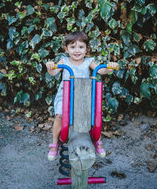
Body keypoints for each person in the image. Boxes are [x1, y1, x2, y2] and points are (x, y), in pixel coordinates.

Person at [46, 31, 118, 161]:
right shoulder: (64, 61)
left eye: (81, 47)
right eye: (72, 47)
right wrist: (50, 67)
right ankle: (54, 143)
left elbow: (101, 70)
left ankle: (97, 140)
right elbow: (54, 72)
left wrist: (110, 67)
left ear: (87, 49)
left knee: (94, 115)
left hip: (83, 97)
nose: (77, 50)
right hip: (65, 96)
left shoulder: (88, 61)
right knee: (59, 115)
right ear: (66, 49)